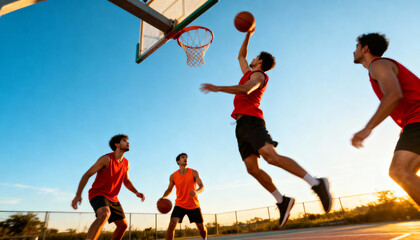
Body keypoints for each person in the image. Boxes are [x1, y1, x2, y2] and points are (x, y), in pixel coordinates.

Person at [199, 28, 332, 227]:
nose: (250, 59)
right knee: (252, 169)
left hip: (253, 121)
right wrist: (248, 35)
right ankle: (282, 200)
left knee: (270, 156)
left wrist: (218, 88)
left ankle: (316, 183)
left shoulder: (259, 76)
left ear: (260, 61)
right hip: (241, 125)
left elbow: (246, 90)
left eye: (255, 57)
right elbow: (241, 56)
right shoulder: (248, 73)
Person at [352, 33, 420, 206]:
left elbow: (393, 94)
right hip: (413, 122)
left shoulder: (378, 64)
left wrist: (367, 128)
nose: (354, 52)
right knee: (403, 171)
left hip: (417, 120)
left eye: (357, 47)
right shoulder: (381, 66)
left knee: (400, 170)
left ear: (365, 48)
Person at [71, 134, 145, 240]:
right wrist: (78, 195)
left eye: (127, 141)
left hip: (113, 198)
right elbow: (87, 175)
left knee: (123, 226)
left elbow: (126, 181)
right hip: (98, 193)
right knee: (105, 214)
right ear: (117, 144)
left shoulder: (126, 163)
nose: (128, 142)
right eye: (124, 140)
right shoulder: (106, 159)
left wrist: (136, 192)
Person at [160, 153, 207, 240]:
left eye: (186, 157)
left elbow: (202, 186)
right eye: (183, 157)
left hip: (193, 205)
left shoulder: (194, 172)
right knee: (172, 224)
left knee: (201, 228)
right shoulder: (173, 176)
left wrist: (196, 191)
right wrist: (163, 197)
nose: (185, 159)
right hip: (180, 205)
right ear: (178, 161)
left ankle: (204, 239)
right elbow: (169, 189)